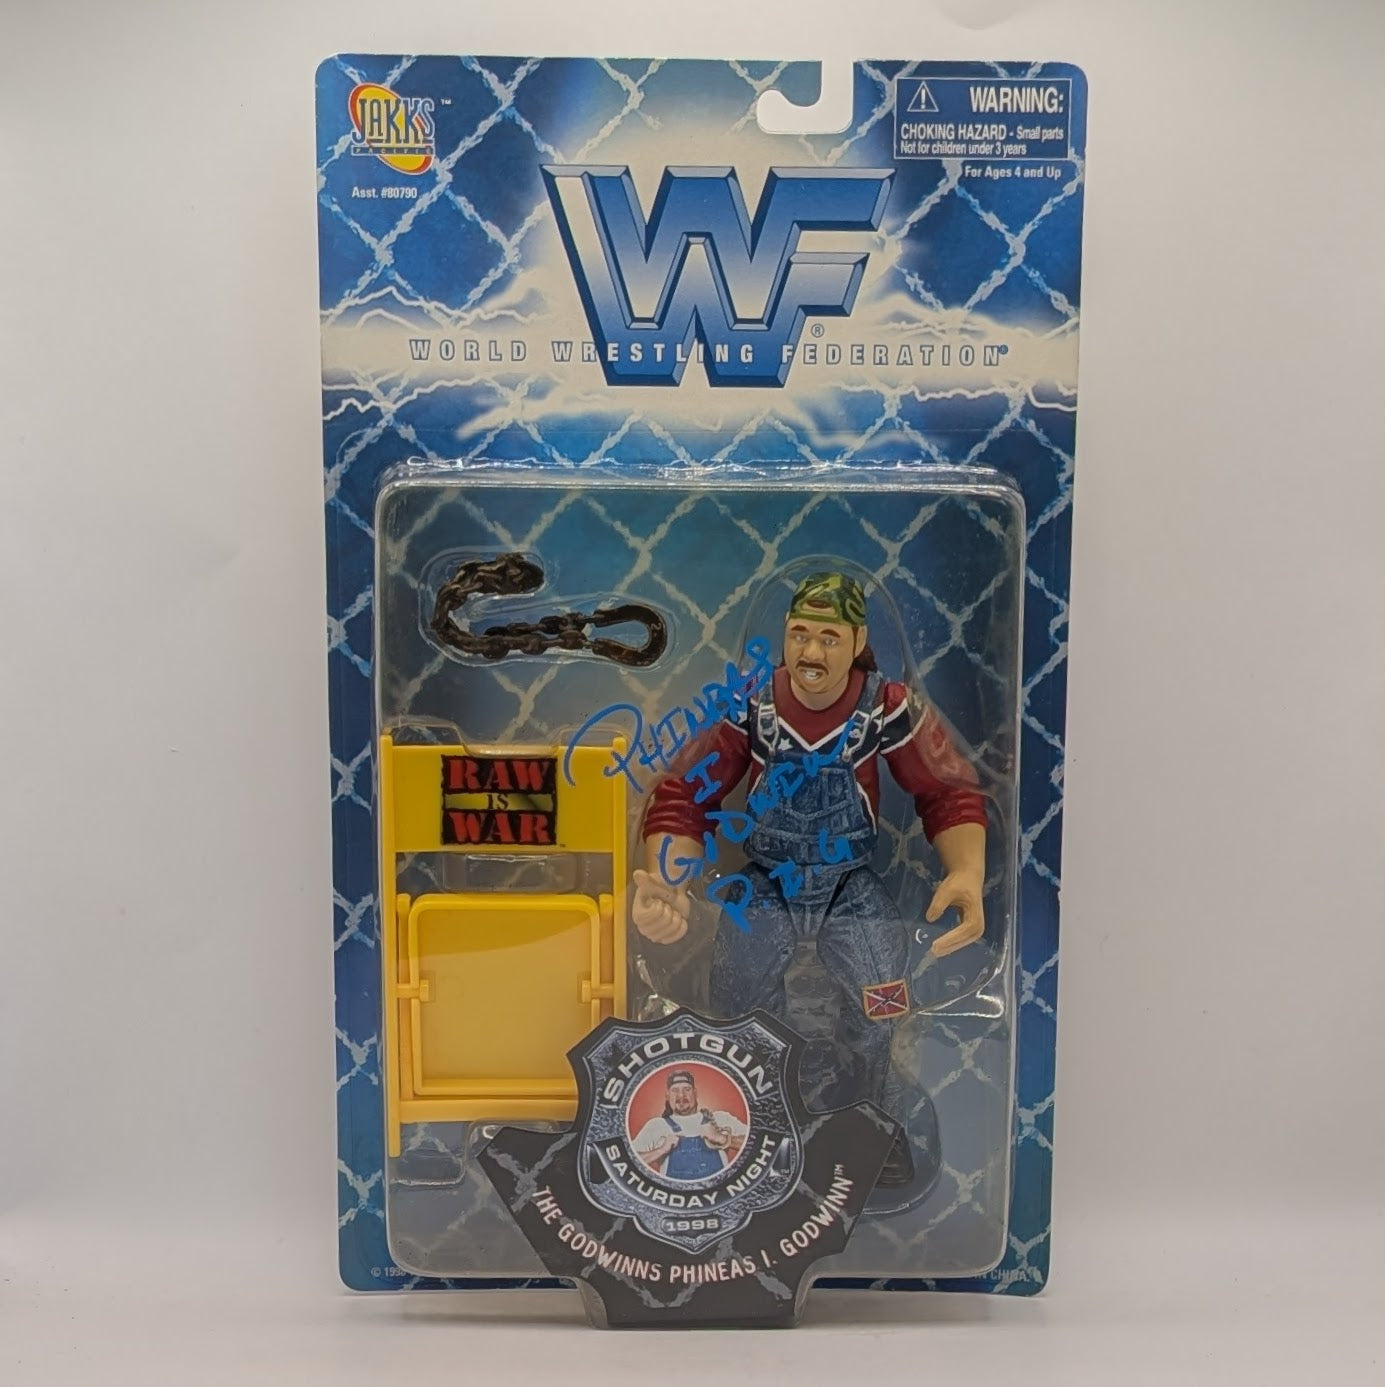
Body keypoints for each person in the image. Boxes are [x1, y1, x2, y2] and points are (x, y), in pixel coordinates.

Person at [631, 572, 988, 1186]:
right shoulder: (749, 704)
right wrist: (670, 884)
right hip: (767, 884)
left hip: (849, 884)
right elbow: (684, 793)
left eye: (829, 637)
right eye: (800, 634)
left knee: (884, 1002)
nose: (811, 652)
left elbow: (945, 789)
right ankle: (754, 1135)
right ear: (783, 635)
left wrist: (966, 872)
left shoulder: (888, 706)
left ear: (858, 642)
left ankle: (875, 1131)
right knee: (736, 1004)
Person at [630, 1069, 748, 1180]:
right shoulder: (656, 1125)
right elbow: (630, 1160)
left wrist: (721, 1138)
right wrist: (661, 1150)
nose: (681, 1095)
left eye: (687, 1089)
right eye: (675, 1090)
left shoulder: (719, 1118)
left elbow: (755, 1144)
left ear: (695, 1093)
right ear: (667, 1096)